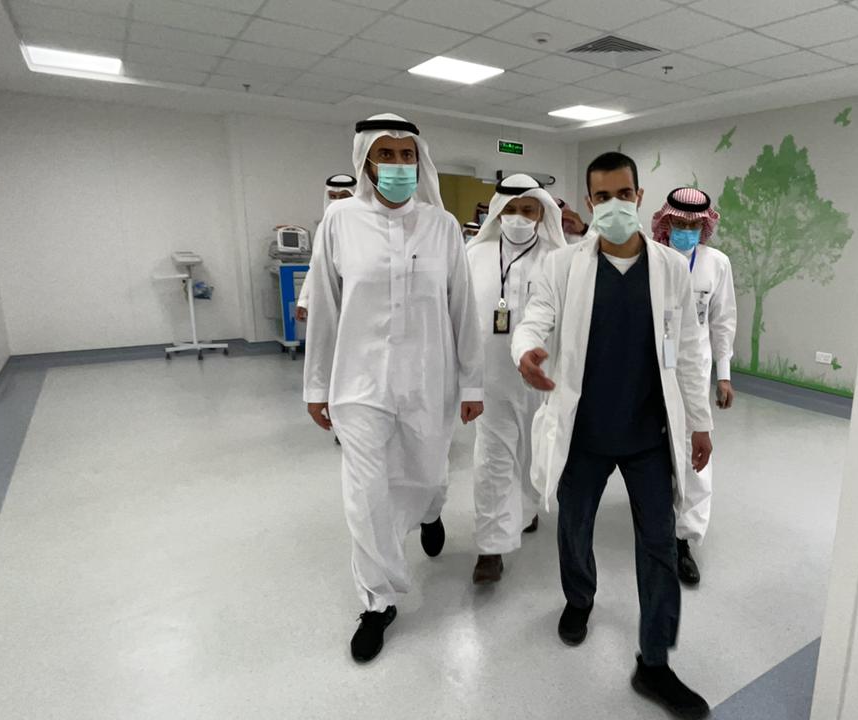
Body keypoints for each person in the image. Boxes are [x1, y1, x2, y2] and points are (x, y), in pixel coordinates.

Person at [512, 152, 713, 718]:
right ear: (589, 201)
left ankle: (655, 662)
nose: (614, 205)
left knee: (659, 545)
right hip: (584, 433)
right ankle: (579, 598)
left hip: (648, 434)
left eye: (624, 194)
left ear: (640, 196)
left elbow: (688, 351)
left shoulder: (670, 268)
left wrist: (699, 422)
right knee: (574, 528)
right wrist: (525, 350)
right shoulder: (563, 267)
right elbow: (534, 319)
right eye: (602, 197)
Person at [303, 113, 483, 663]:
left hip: (429, 378)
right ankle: (377, 601)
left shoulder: (442, 226)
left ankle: (430, 509)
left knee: (427, 472)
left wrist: (472, 381)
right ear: (366, 161)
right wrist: (316, 385)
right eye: (386, 154)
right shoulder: (339, 222)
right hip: (358, 383)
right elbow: (325, 307)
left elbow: (463, 308)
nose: (399, 165)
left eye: (407, 155)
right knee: (365, 493)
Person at [465, 174, 567, 585]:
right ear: (496, 213)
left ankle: (524, 511)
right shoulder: (474, 255)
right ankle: (490, 548)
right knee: (493, 460)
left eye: (528, 209)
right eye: (510, 209)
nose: (519, 217)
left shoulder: (557, 259)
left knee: (532, 453)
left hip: (542, 380)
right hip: (490, 379)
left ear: (542, 212)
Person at [650, 187, 737, 586]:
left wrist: (724, 374)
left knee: (694, 452)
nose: (685, 230)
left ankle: (683, 539)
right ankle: (653, 519)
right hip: (650, 368)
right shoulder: (650, 258)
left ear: (705, 226)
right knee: (652, 447)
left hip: (693, 371)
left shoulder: (716, 264)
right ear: (665, 221)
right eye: (678, 223)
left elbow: (723, 320)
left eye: (693, 225)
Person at [296, 174, 356, 322]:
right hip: (332, 295)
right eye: (332, 196)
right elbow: (317, 266)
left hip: (358, 295)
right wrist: (304, 300)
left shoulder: (365, 225)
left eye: (343, 196)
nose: (337, 201)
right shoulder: (324, 228)